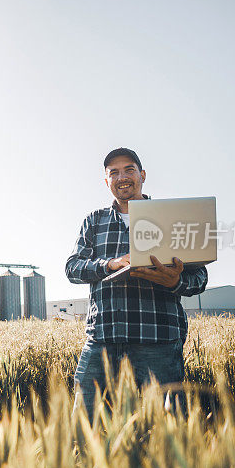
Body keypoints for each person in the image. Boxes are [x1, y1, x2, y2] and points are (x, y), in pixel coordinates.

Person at [65, 147, 208, 416]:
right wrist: (110, 264)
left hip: (157, 340)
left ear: (142, 174)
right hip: (103, 339)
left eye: (129, 170)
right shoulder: (94, 222)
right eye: (114, 173)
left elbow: (199, 277)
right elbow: (72, 268)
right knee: (84, 425)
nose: (122, 177)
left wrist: (175, 281)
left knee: (171, 429)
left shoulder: (173, 219)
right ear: (107, 181)